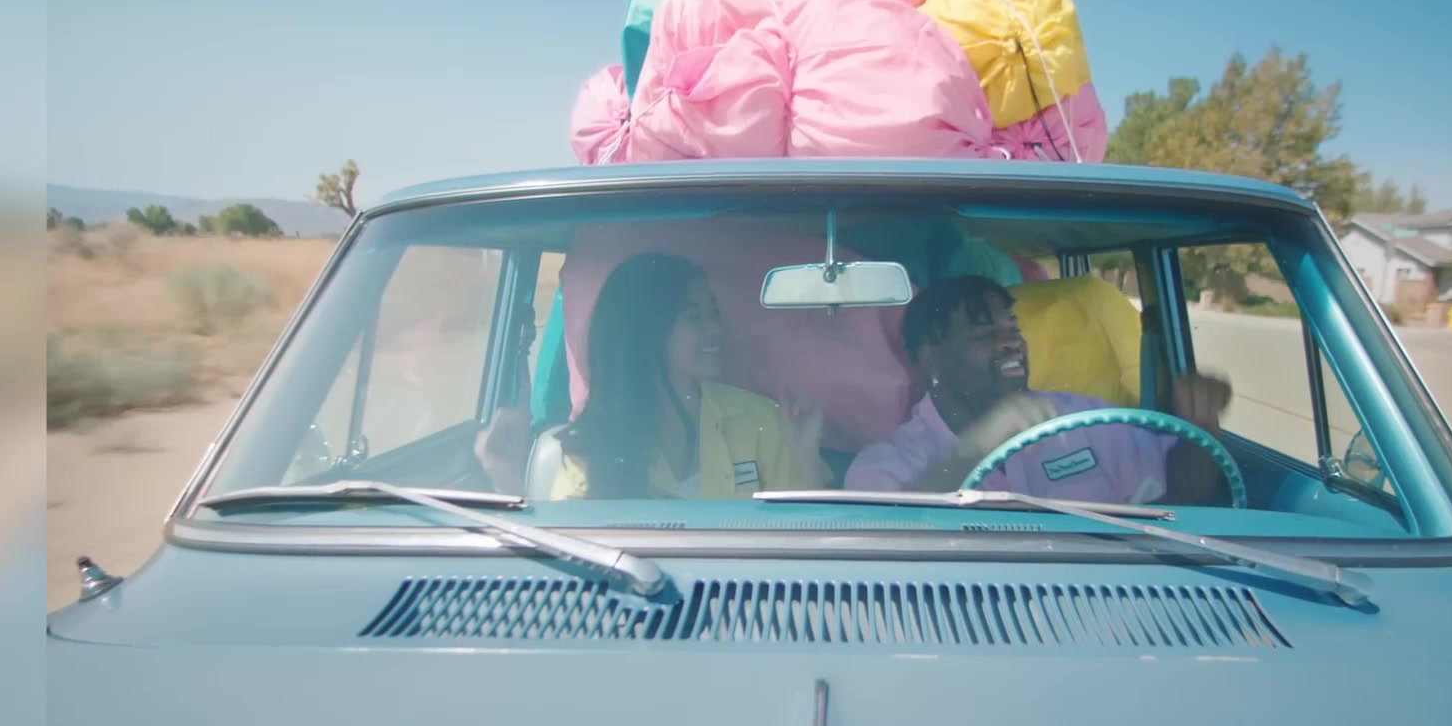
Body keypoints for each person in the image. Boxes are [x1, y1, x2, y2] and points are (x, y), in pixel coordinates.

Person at [844, 275, 1234, 504]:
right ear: (932, 360)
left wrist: (1200, 425)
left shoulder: (1083, 420)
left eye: (1013, 329)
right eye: (985, 335)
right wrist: (978, 447)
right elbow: (896, 543)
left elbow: (1186, 491)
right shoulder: (886, 465)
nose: (1011, 342)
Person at [476, 252, 829, 499]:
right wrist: (507, 481)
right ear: (647, 333)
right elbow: (570, 556)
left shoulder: (761, 420)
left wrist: (804, 455)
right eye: (695, 317)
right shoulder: (594, 439)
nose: (714, 329)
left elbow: (808, 539)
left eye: (714, 314)